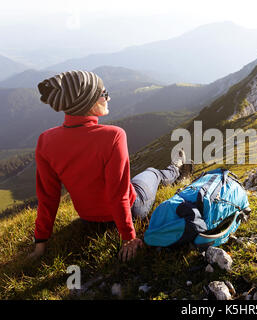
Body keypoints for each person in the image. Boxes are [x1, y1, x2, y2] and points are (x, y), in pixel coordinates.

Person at [29, 70, 187, 262]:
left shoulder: (45, 140)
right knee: (152, 173)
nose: (108, 97)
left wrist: (40, 245)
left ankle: (174, 169)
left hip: (89, 219)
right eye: (103, 93)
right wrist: (129, 238)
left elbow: (48, 198)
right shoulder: (114, 136)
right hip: (132, 209)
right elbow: (118, 194)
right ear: (88, 101)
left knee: (139, 179)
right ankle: (176, 169)